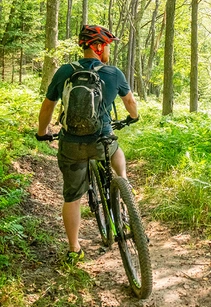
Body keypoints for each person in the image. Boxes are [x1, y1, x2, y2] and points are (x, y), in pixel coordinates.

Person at [36, 25, 138, 264]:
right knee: (116, 148)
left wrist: (43, 132)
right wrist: (133, 118)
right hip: (102, 140)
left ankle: (74, 249)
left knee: (72, 197)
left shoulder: (64, 71)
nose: (108, 52)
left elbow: (47, 106)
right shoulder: (114, 73)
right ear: (99, 46)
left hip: (71, 144)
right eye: (107, 47)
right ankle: (123, 181)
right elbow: (130, 102)